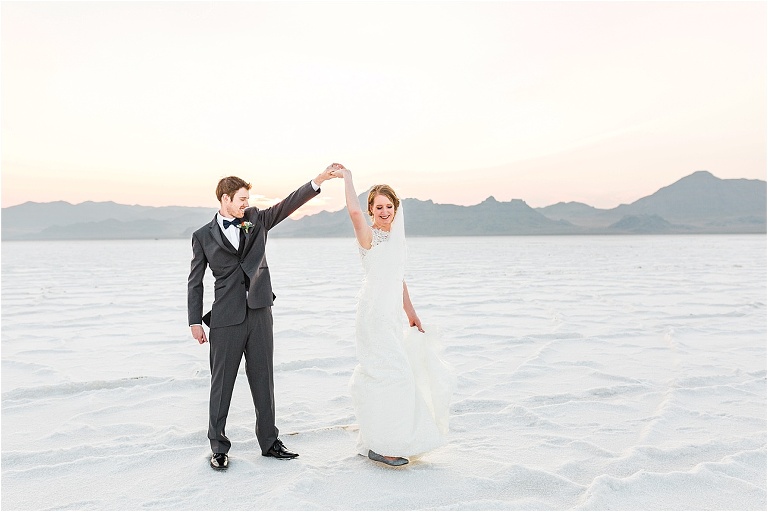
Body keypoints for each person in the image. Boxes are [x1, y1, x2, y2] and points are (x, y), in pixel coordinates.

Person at [188, 166, 338, 470]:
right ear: (225, 199)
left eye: (247, 199)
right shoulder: (202, 236)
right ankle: (218, 446)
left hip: (259, 313)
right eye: (241, 199)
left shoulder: (256, 219)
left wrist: (317, 181)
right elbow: (195, 280)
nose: (246, 204)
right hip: (225, 319)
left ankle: (269, 443)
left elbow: (286, 204)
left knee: (263, 380)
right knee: (221, 385)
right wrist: (194, 321)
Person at [330, 164, 454, 467]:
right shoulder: (369, 237)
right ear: (371, 210)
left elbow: (398, 278)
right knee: (390, 374)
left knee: (393, 374)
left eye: (389, 206)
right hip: (372, 315)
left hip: (390, 315)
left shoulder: (397, 240)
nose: (384, 211)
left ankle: (381, 438)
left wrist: (410, 313)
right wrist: (348, 178)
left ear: (395, 208)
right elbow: (354, 214)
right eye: (378, 207)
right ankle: (382, 444)